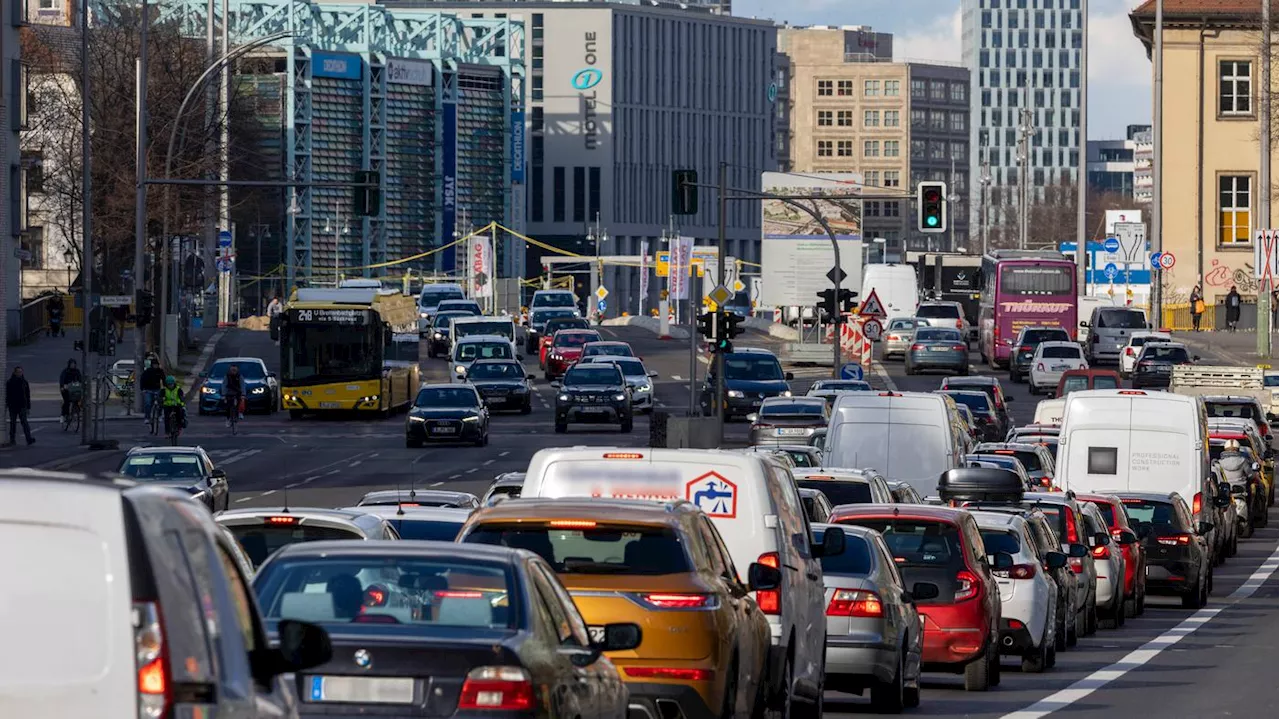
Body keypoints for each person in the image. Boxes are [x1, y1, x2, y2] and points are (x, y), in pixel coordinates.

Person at [5, 367, 34, 446]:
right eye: (18, 372)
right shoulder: (10, 382)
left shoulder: (24, 382)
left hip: (22, 406)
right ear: (15, 373)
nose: (19, 374)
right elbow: (7, 395)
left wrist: (28, 406)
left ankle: (29, 439)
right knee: (13, 423)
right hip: (13, 406)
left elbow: (27, 395)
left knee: (24, 423)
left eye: (21, 372)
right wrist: (7, 404)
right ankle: (12, 439)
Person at [139, 356, 166, 424]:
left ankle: (159, 415)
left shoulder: (160, 371)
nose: (155, 366)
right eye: (154, 364)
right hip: (148, 390)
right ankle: (147, 417)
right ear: (152, 365)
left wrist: (166, 387)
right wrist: (143, 389)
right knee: (148, 403)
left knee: (160, 402)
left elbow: (164, 379)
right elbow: (142, 380)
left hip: (157, 389)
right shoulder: (147, 371)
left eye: (156, 364)